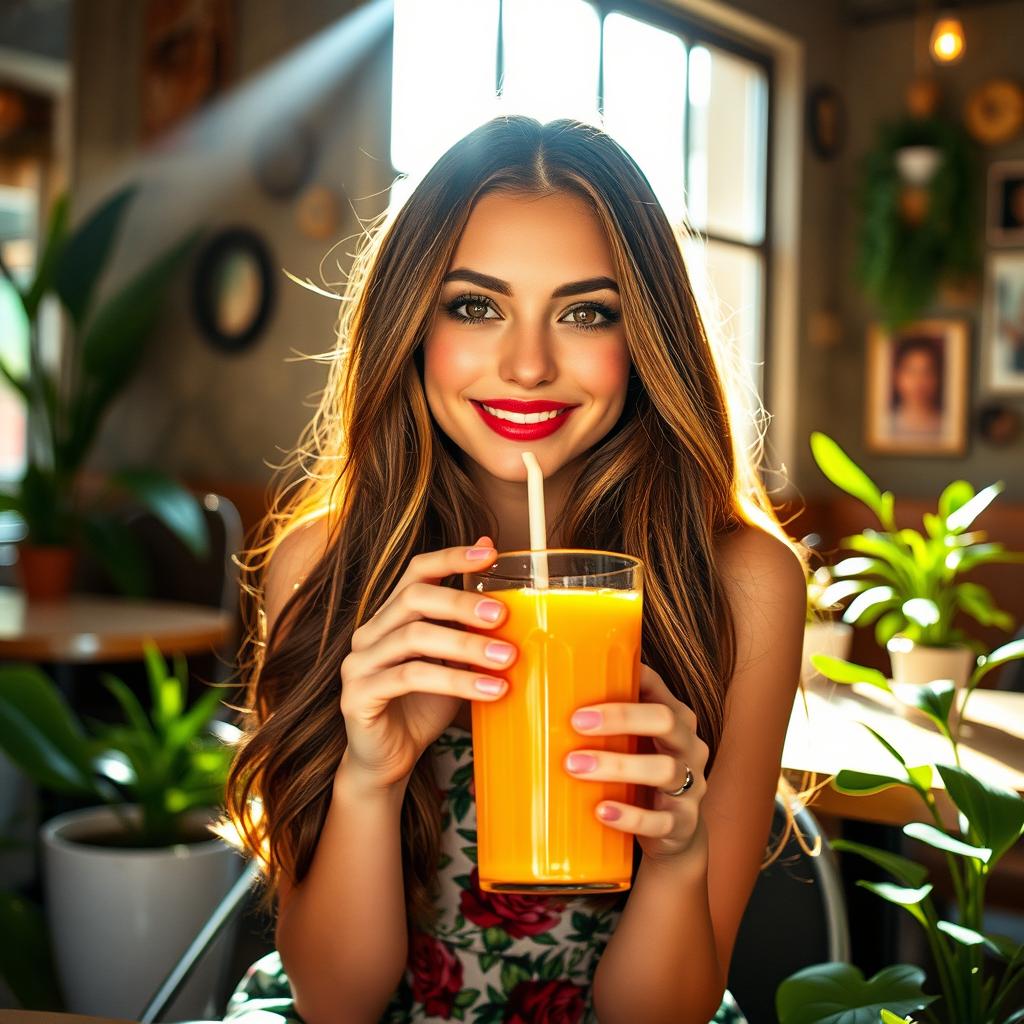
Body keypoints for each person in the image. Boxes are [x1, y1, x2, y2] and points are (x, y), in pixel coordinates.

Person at [217, 115, 807, 1024]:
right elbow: (335, 1001)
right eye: (475, 305)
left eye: (586, 312)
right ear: (411, 324)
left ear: (644, 335)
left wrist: (680, 850)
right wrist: (371, 776)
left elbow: (665, 1013)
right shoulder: (327, 564)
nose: (528, 366)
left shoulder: (740, 581)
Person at [888, 335, 945, 438]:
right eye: (911, 371)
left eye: (927, 372)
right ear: (896, 376)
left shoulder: (948, 426)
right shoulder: (884, 425)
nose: (918, 382)